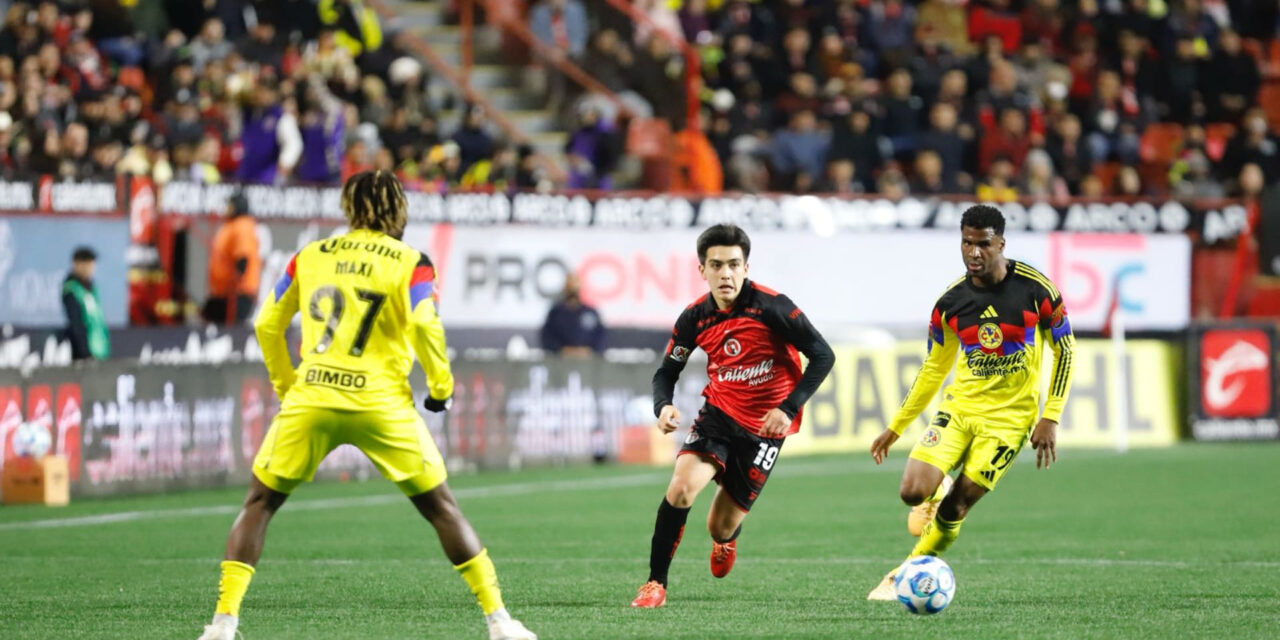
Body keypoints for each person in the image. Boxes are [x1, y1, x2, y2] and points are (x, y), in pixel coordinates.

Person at [196, 171, 536, 640]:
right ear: (399, 209)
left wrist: (287, 385)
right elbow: (424, 323)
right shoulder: (412, 262)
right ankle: (500, 621)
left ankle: (222, 625)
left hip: (313, 395)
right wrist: (441, 387)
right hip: (382, 404)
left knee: (260, 503)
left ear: (349, 207)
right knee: (442, 508)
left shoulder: (309, 256)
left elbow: (267, 324)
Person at [865, 205, 1074, 600]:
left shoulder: (1037, 291)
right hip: (959, 411)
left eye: (983, 244)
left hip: (1009, 424)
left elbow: (1065, 351)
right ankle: (936, 484)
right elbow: (932, 369)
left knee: (956, 507)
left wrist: (1051, 416)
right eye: (966, 242)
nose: (973, 252)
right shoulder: (950, 304)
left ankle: (901, 574)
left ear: (1001, 244)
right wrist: (896, 426)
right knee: (911, 492)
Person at [631, 224, 835, 608]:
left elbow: (823, 355)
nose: (725, 273)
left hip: (765, 429)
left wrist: (788, 407)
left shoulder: (773, 307)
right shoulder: (694, 318)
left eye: (734, 265)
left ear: (746, 267)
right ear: (702, 270)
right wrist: (664, 406)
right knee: (680, 489)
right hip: (718, 417)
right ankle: (655, 584)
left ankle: (726, 541)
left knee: (719, 525)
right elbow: (666, 372)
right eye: (716, 265)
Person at [202, 192, 261, 326]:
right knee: (208, 317)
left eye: (230, 205)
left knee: (229, 329)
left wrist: (236, 282)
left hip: (237, 293)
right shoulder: (232, 224)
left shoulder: (242, 225)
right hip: (224, 291)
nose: (227, 208)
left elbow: (243, 258)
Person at [61, 246, 109, 361]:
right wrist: (85, 353)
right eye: (88, 264)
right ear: (78, 264)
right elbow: (76, 325)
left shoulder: (91, 289)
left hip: (100, 352)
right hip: (85, 356)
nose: (92, 268)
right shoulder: (71, 290)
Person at [540, 273, 605, 358]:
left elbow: (601, 337)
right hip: (562, 362)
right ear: (565, 288)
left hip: (588, 362)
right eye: (570, 287)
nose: (573, 290)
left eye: (576, 287)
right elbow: (547, 338)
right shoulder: (556, 313)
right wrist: (563, 350)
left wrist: (588, 351)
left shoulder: (591, 313)